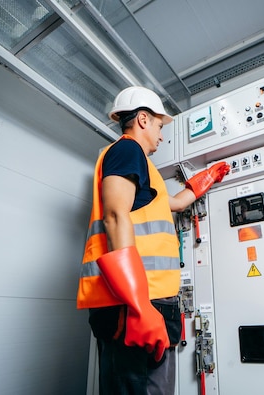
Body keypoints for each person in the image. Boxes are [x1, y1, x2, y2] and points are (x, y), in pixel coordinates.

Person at [77, 86, 230, 395]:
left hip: (146, 300)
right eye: (160, 126)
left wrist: (206, 180)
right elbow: (115, 216)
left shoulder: (142, 166)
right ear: (143, 120)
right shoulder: (127, 149)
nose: (162, 135)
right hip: (134, 301)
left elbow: (171, 204)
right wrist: (139, 306)